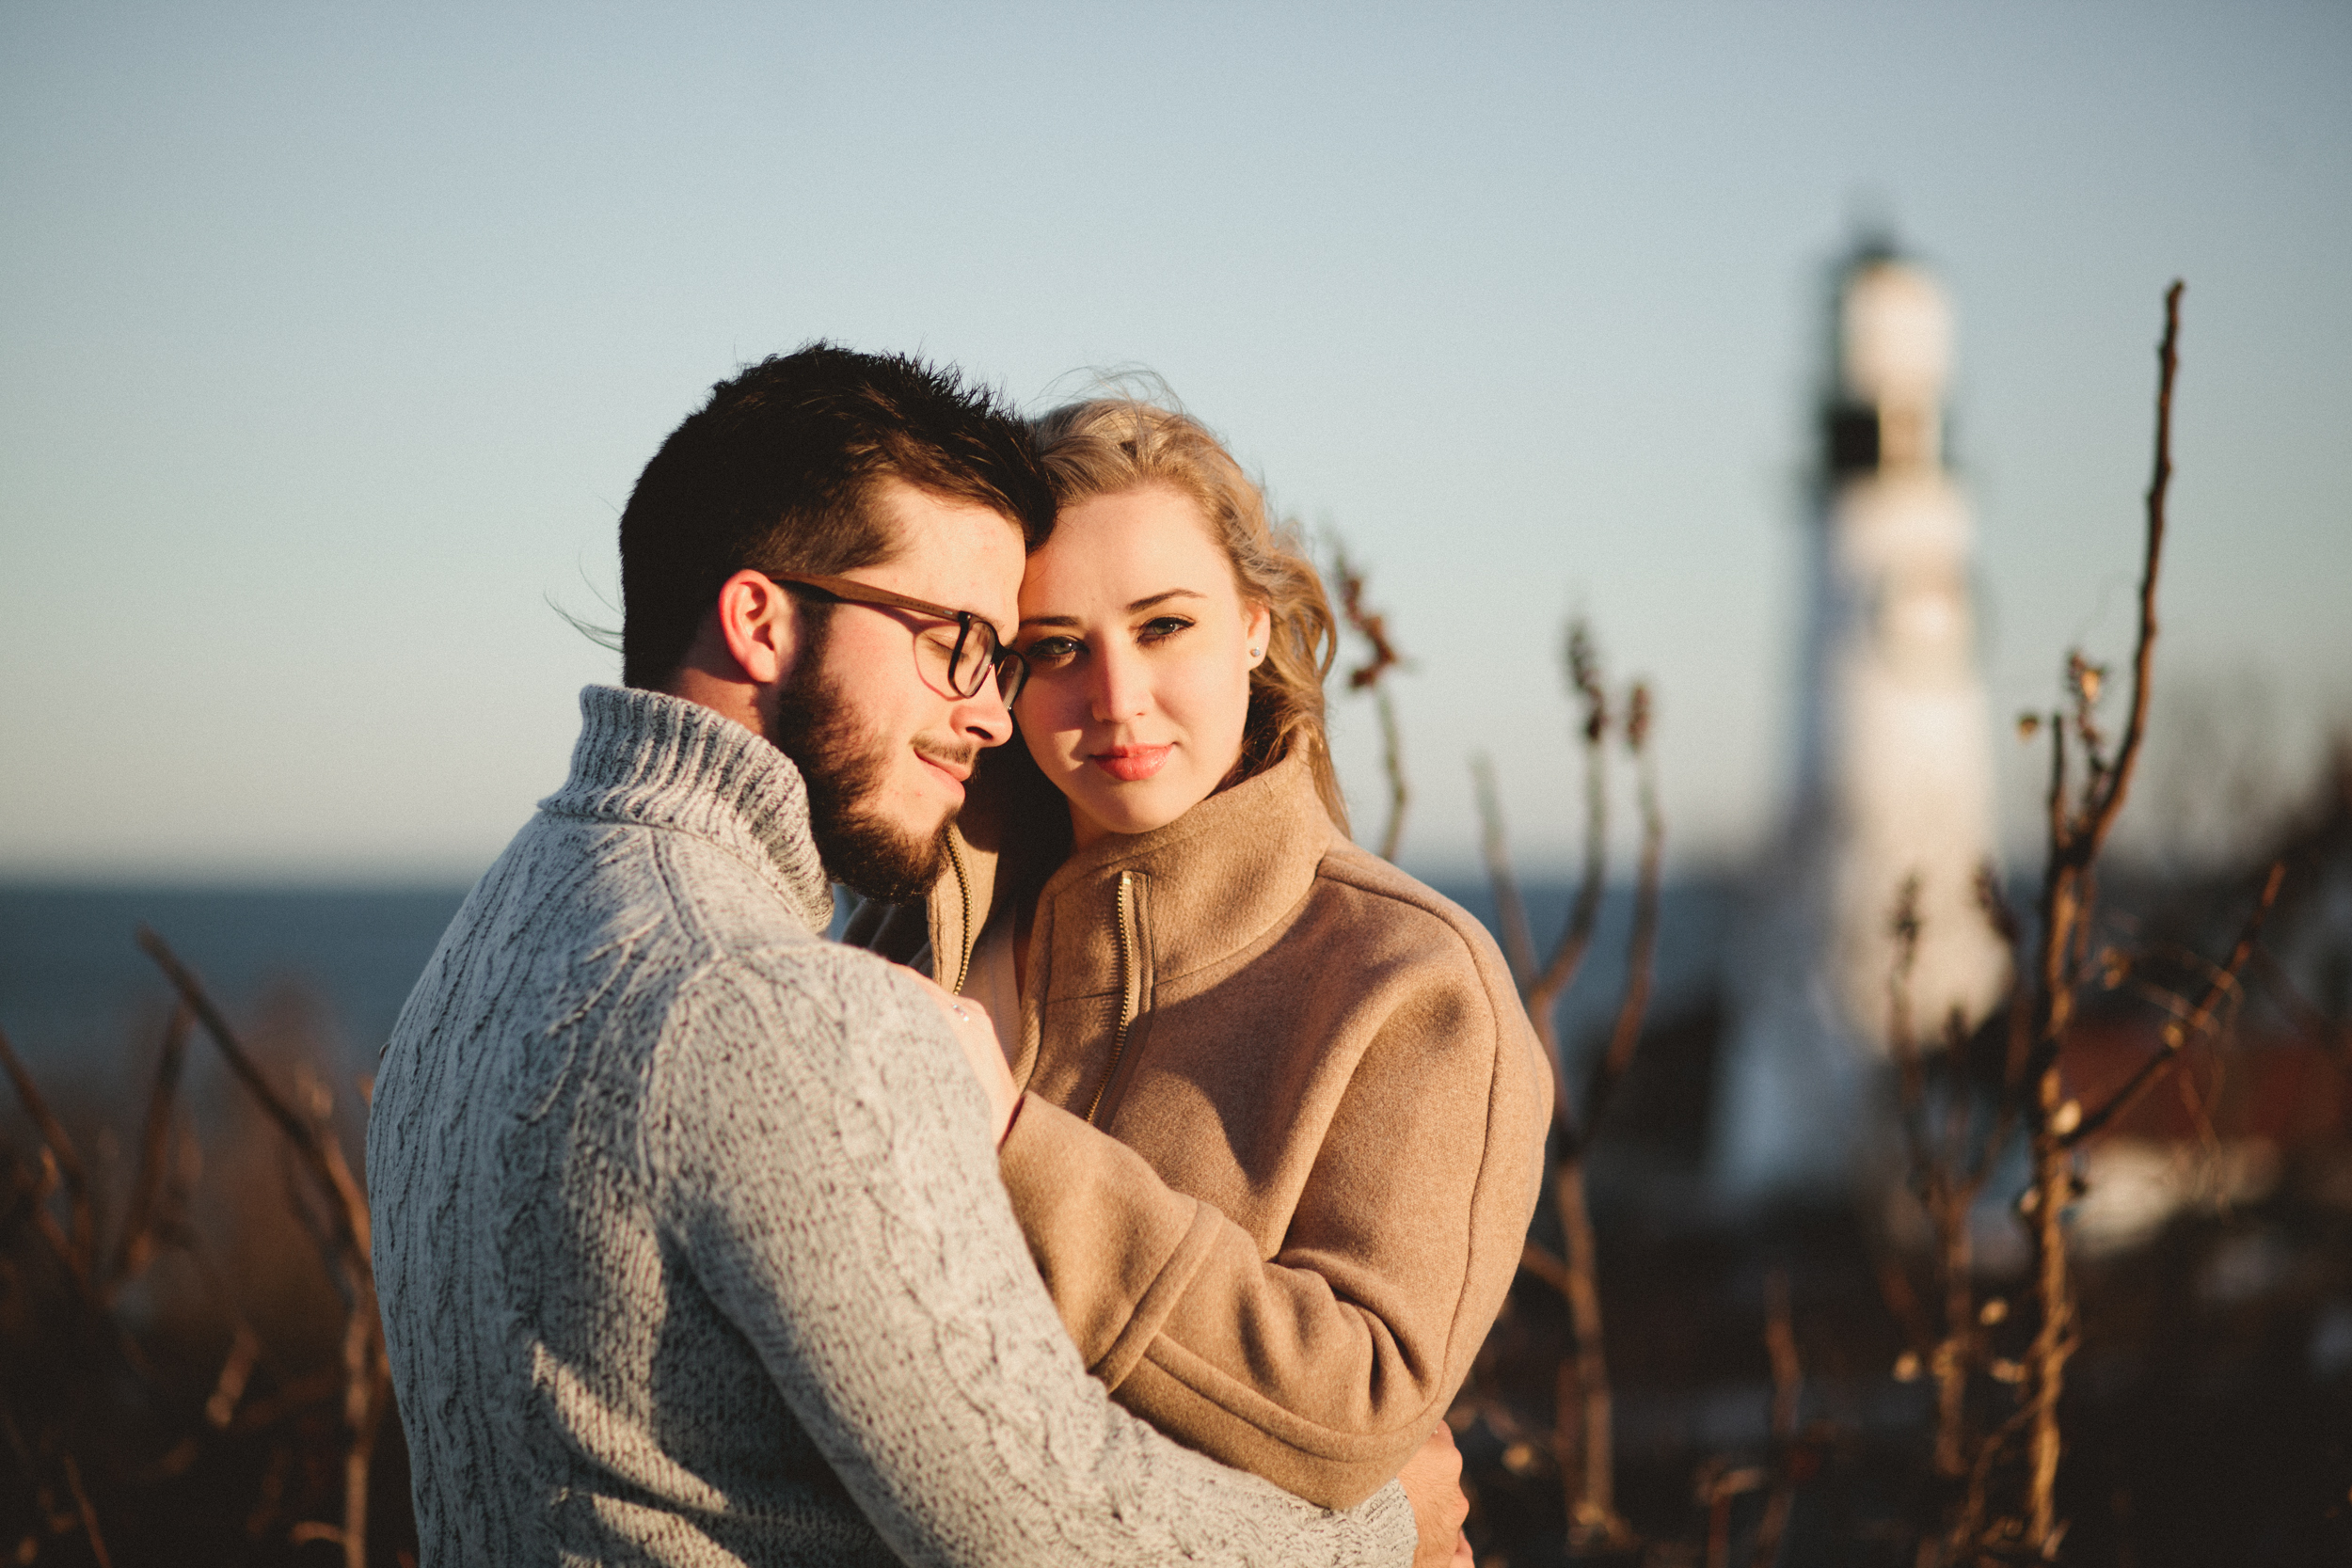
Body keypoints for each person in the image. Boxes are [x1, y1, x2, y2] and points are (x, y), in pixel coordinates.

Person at [367, 345, 1471, 1567]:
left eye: (1006, 655)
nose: (992, 712)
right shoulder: (778, 1013)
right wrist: (1381, 1531)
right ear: (760, 619)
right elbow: (1052, 1525)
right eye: (956, 640)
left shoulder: (487, 939)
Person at [847, 394, 1550, 1513]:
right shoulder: (913, 931)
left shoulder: (1411, 982)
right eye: (1056, 648)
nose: (1117, 699)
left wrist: (1017, 1146)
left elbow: (1360, 1408)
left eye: (1164, 625)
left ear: (1257, 624)